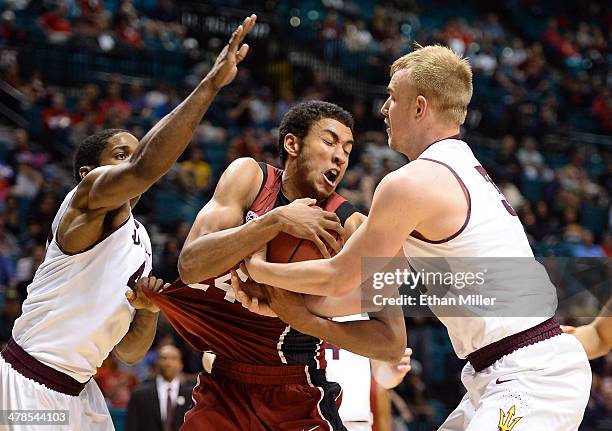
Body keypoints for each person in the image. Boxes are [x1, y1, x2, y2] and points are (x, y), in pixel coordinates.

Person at [244, 44, 591, 430]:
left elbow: (340, 275)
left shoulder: (413, 182)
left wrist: (259, 269)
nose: (384, 110)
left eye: (392, 98)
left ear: (420, 107)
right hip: (502, 370)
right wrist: (285, 308)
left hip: (530, 374)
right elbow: (370, 289)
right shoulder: (461, 167)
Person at [0, 14, 257, 431]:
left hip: (82, 392)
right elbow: (144, 168)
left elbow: (131, 354)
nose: (132, 161)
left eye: (133, 153)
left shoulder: (140, 237)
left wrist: (147, 310)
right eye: (120, 155)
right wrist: (210, 85)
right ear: (88, 173)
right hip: (29, 382)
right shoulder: (82, 202)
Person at [144, 100, 407, 431]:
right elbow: (191, 264)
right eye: (329, 142)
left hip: (296, 386)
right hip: (224, 383)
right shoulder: (250, 178)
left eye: (347, 149)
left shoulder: (349, 225)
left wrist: (307, 319)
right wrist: (274, 222)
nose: (340, 156)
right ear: (292, 144)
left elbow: (392, 341)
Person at [125, 345, 194, 431]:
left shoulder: (192, 395)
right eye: (164, 358)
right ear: (156, 363)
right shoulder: (139, 394)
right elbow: (131, 426)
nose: (168, 362)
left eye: (173, 358)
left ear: (181, 364)